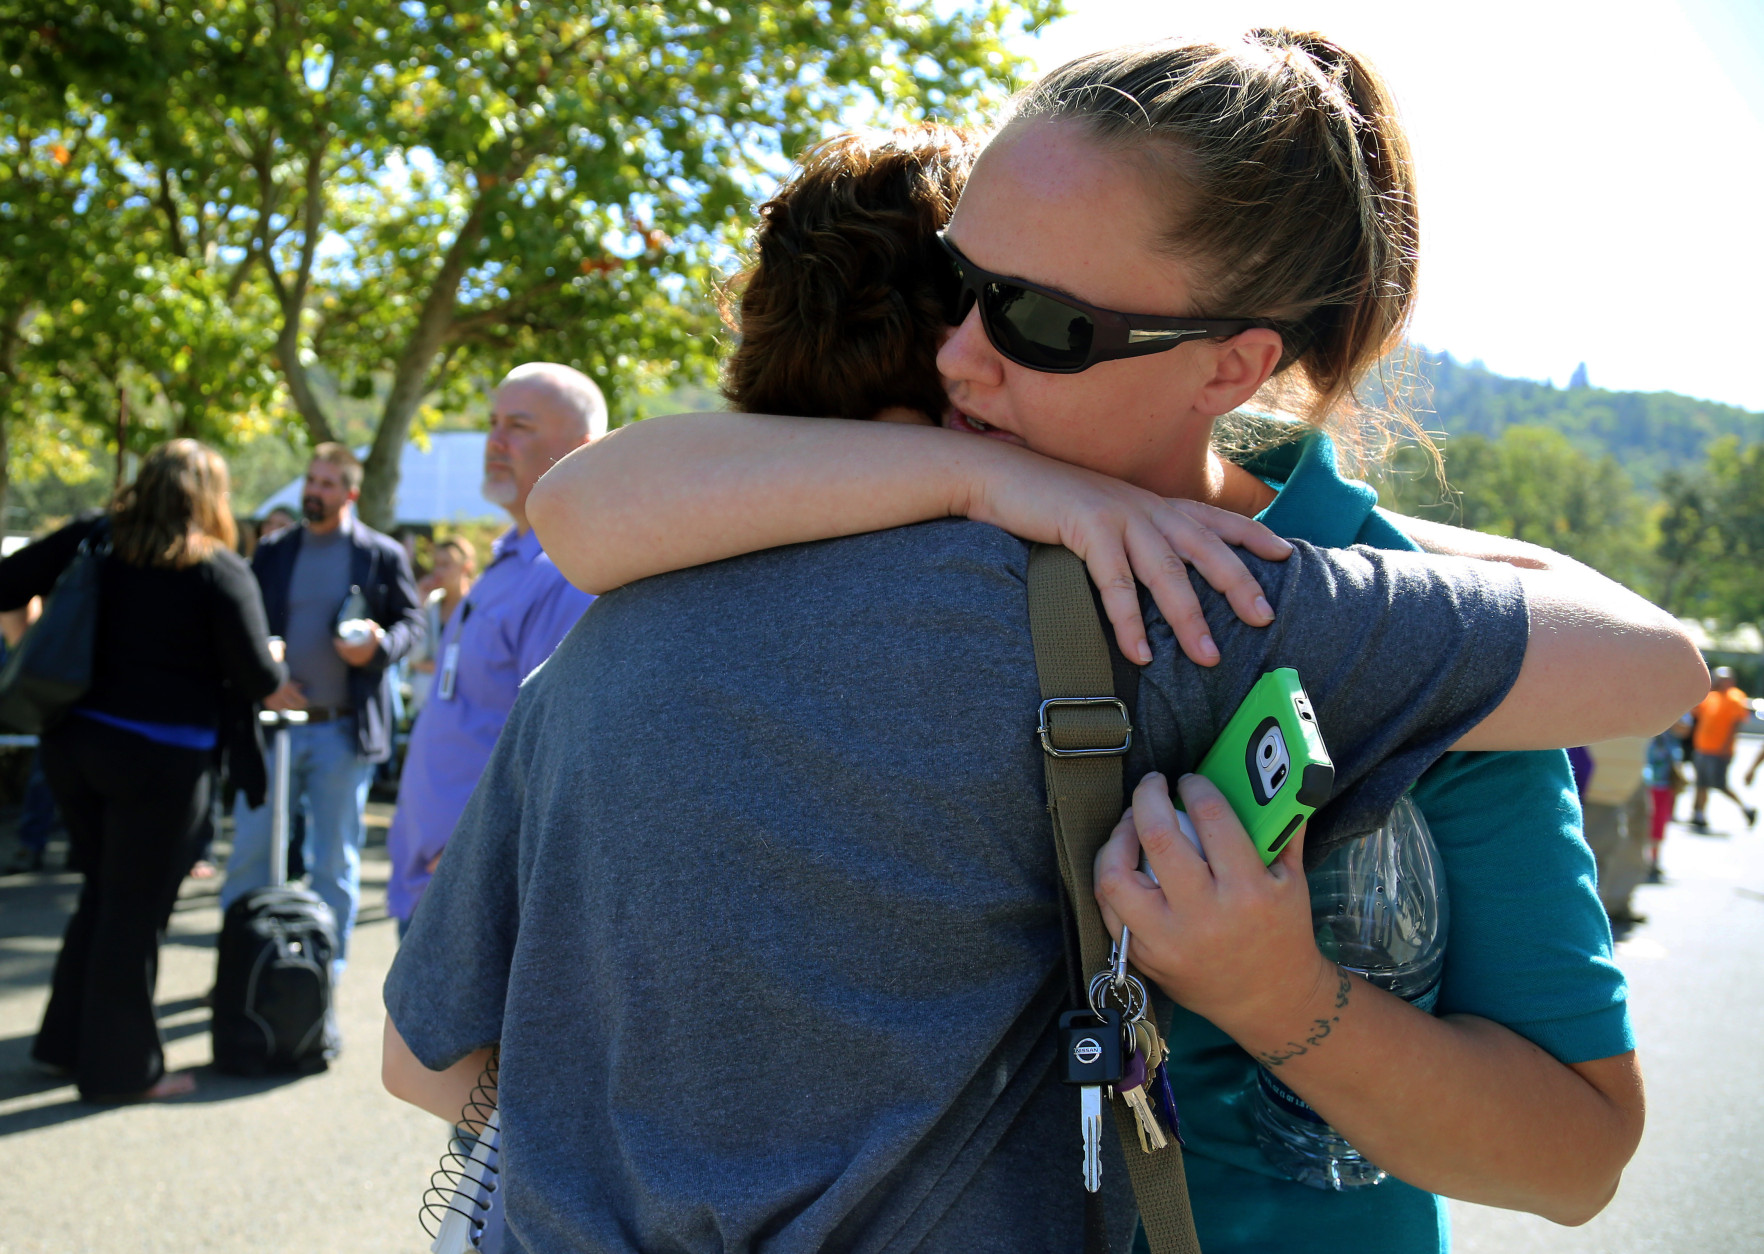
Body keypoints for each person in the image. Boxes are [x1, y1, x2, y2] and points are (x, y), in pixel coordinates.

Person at [395, 89, 1699, 1253]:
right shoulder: (908, 546)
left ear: (1236, 365)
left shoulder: (1345, 615)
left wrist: (1284, 997)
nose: (956, 351)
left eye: (1036, 320)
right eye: (957, 284)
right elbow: (589, 503)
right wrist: (990, 475)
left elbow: (1579, 1158)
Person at [0, 440, 283, 1100]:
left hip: (74, 748)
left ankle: (65, 1045)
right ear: (210, 495)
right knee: (135, 913)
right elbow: (257, 675)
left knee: (101, 895)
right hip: (163, 764)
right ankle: (121, 1072)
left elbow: (8, 585)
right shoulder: (217, 569)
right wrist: (273, 656)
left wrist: (34, 642)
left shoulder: (94, 540)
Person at [386, 364, 599, 934]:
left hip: (473, 897)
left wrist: (478, 862)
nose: (495, 441)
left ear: (581, 450)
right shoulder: (512, 562)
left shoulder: (562, 575)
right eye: (493, 423)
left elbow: (553, 751)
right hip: (435, 884)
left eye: (520, 427)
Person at [220, 443, 421, 988]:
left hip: (341, 729)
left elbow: (412, 625)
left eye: (329, 483)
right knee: (252, 853)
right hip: (273, 730)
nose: (315, 490)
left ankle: (321, 978)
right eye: (311, 480)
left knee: (334, 861)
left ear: (351, 493)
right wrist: (266, 676)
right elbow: (242, 626)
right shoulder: (274, 551)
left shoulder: (380, 554)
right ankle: (239, 971)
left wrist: (379, 646)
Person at [407, 535, 475, 715]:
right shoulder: (430, 606)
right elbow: (413, 658)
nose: (438, 571)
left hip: (467, 708)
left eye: (446, 564)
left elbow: (474, 666)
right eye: (436, 564)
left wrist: (432, 666)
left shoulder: (479, 608)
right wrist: (419, 604)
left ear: (466, 567)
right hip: (426, 705)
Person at [1687, 666, 1755, 828]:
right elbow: (1694, 712)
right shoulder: (1710, 696)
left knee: (1719, 784)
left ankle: (1746, 809)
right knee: (1701, 783)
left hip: (1719, 750)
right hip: (1703, 747)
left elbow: (1735, 724)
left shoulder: (1736, 697)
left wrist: (1725, 746)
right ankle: (1699, 815)